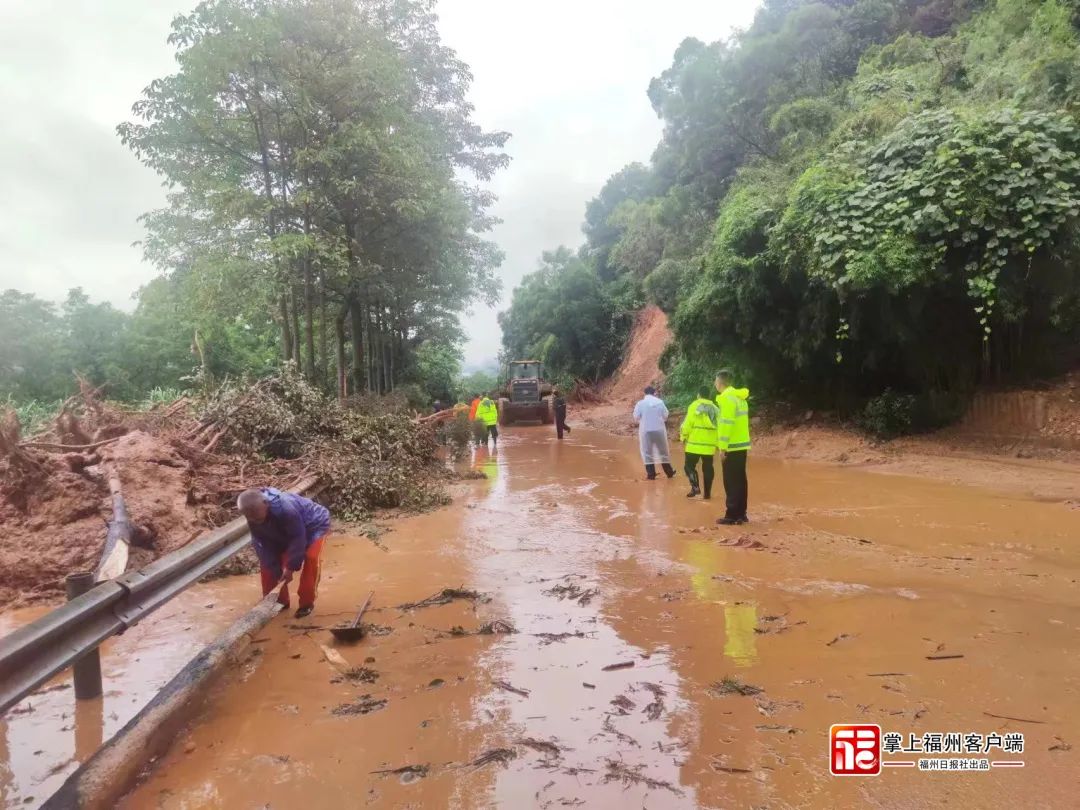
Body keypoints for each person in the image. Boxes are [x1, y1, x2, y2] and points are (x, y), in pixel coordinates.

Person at [238, 487, 331, 618]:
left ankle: (306, 603)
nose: (256, 522)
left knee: (311, 559)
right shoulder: (253, 514)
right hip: (283, 530)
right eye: (253, 519)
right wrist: (276, 570)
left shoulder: (286, 509)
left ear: (266, 504)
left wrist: (290, 568)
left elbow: (298, 538)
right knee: (268, 567)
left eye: (258, 518)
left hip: (314, 526)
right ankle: (278, 602)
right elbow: (263, 546)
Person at [715, 370, 751, 524]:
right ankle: (741, 513)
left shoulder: (727, 399)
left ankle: (731, 515)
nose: (714, 384)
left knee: (731, 481)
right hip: (742, 445)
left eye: (715, 381)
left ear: (720, 382)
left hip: (731, 446)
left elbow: (726, 425)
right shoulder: (740, 398)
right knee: (740, 480)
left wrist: (722, 448)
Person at [680, 386, 721, 499]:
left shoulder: (694, 405)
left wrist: (683, 436)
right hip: (709, 446)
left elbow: (688, 423)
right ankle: (707, 494)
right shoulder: (715, 408)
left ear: (699, 394)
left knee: (688, 467)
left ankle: (695, 487)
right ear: (709, 396)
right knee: (708, 467)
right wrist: (718, 444)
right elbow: (719, 427)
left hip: (694, 444)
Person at [633, 386, 675, 479]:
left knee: (647, 452)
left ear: (645, 393)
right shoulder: (660, 402)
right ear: (654, 393)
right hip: (659, 430)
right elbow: (665, 415)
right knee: (663, 451)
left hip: (646, 431)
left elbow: (636, 417)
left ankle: (651, 475)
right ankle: (669, 473)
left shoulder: (640, 403)